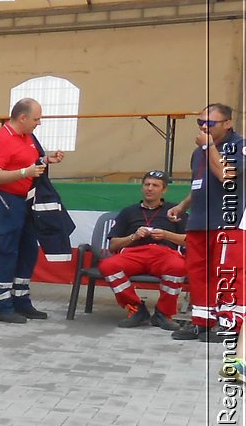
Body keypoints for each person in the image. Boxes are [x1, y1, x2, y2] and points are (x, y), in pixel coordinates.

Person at [0, 99, 66, 324]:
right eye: (36, 119)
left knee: (28, 250)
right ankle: (0, 305)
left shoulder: (28, 137)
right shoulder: (1, 139)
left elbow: (30, 161)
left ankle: (21, 300)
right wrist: (24, 172)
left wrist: (47, 160)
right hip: (5, 202)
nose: (38, 124)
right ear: (22, 118)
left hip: (27, 201)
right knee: (6, 251)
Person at [167, 105, 242, 341]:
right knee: (198, 272)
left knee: (227, 273)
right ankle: (202, 321)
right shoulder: (199, 151)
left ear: (227, 123)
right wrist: (182, 206)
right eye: (200, 123)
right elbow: (199, 184)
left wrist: (208, 146)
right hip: (199, 220)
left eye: (210, 123)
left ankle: (230, 323)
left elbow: (225, 176)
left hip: (229, 220)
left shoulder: (239, 146)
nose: (203, 127)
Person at [98, 171, 187, 330]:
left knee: (178, 267)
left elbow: (190, 240)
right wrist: (133, 236)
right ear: (142, 187)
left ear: (164, 190)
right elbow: (113, 245)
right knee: (108, 266)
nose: (150, 189)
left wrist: (167, 235)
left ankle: (163, 314)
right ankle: (136, 309)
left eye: (155, 185)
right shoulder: (128, 212)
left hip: (164, 253)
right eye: (147, 184)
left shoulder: (175, 211)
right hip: (134, 254)